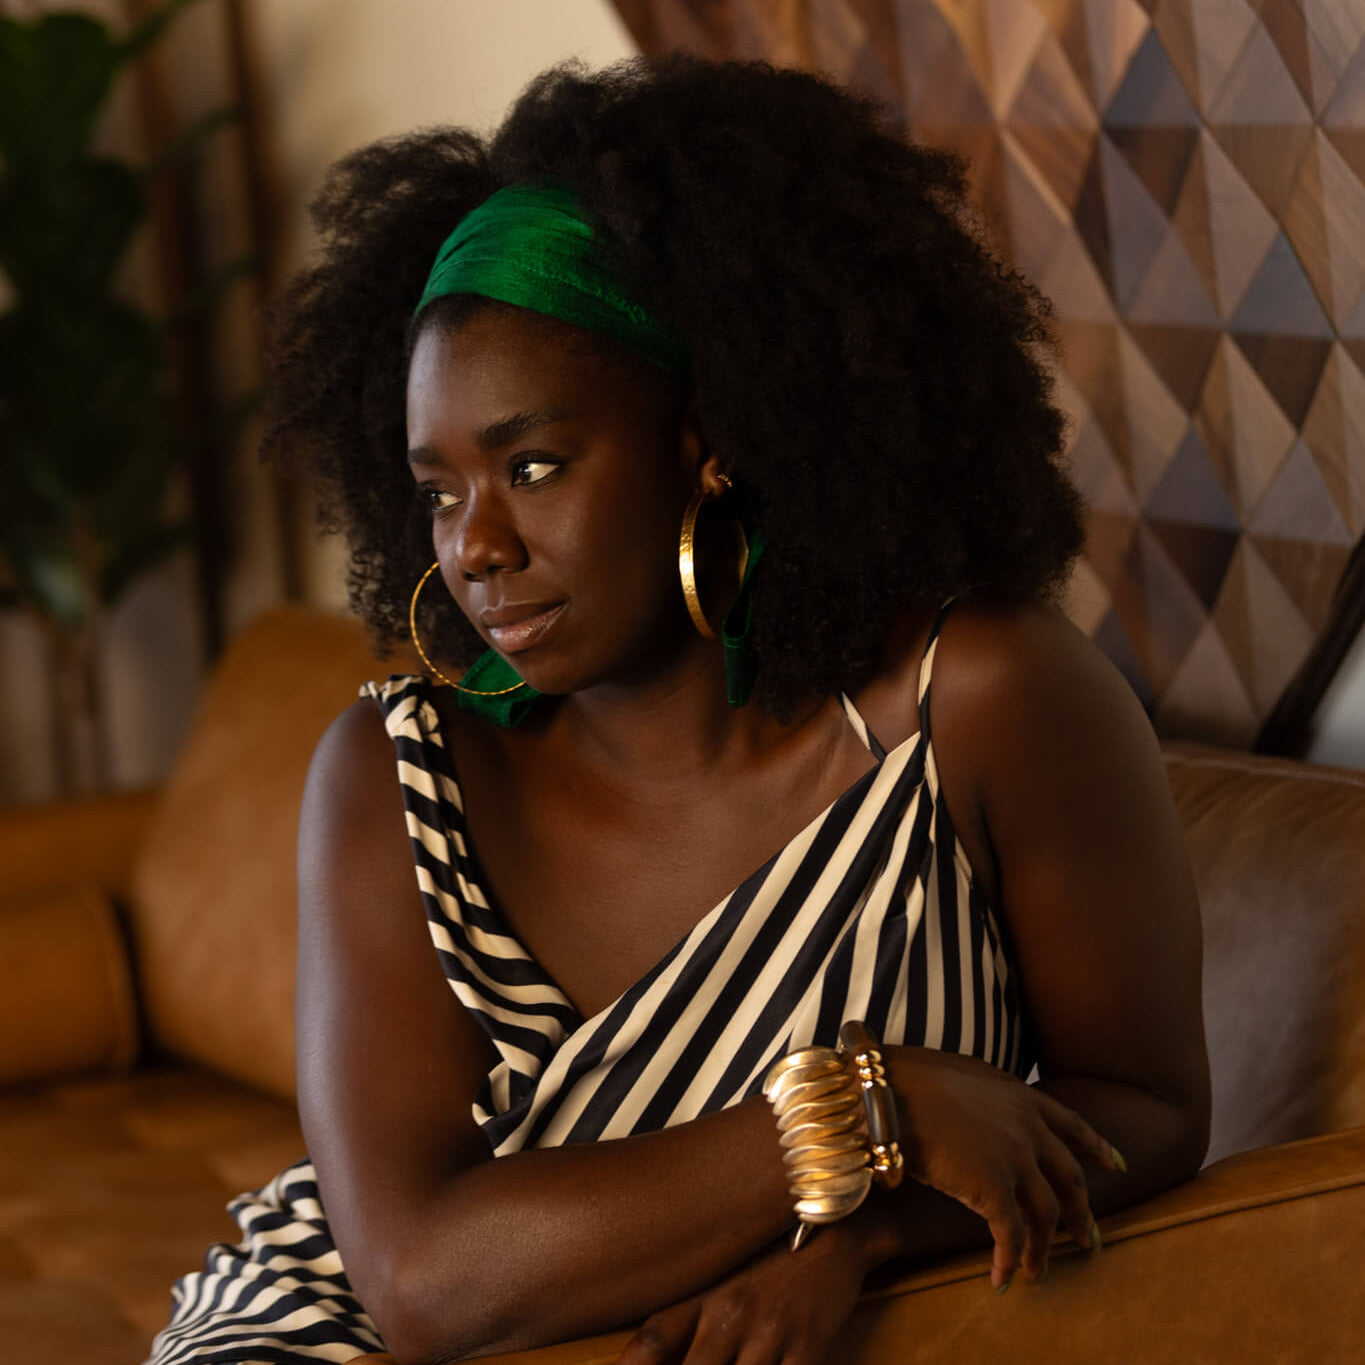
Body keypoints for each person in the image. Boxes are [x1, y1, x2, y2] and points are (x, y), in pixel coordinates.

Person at [146, 54, 1209, 1365]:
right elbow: (422, 1283)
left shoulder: (980, 703)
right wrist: (856, 1109)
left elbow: (1148, 1108)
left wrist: (860, 1236)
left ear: (710, 441)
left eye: (535, 465)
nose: (475, 545)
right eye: (438, 490)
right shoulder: (396, 773)